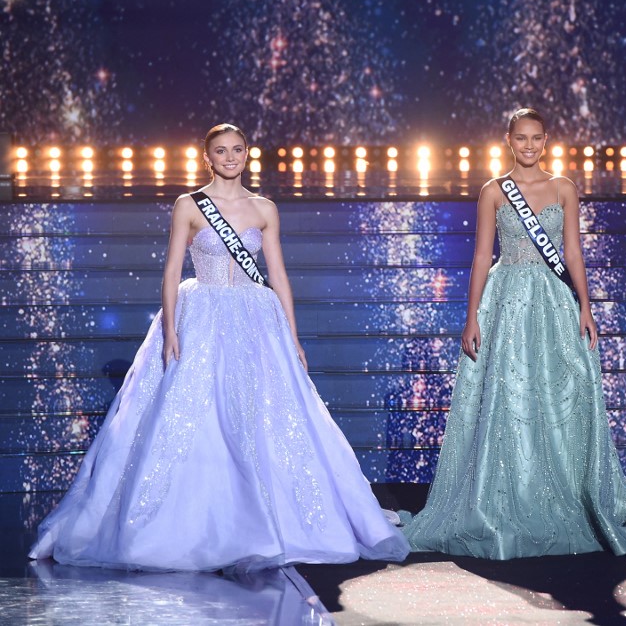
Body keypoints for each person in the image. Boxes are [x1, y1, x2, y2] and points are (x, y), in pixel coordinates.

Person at [30, 124, 410, 571]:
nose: (230, 157)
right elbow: (171, 269)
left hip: (256, 320)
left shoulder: (264, 208)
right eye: (221, 151)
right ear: (207, 157)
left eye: (237, 150)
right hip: (203, 314)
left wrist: (293, 335)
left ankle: (275, 518)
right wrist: (171, 329)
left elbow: (280, 275)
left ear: (247, 153)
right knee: (196, 413)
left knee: (263, 415)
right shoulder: (189, 205)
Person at [400, 108, 626, 559]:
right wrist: (471, 317)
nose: (528, 145)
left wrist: (586, 305)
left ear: (546, 141)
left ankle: (564, 490)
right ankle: (506, 498)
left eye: (536, 138)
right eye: (520, 138)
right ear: (508, 140)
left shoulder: (564, 188)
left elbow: (574, 253)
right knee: (510, 395)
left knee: (559, 394)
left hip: (553, 301)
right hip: (505, 302)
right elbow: (482, 256)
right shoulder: (492, 192)